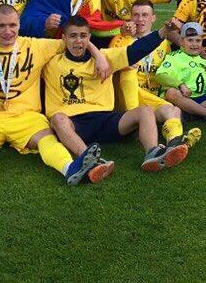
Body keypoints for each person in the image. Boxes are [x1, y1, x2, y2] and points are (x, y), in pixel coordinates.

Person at [0, 5, 110, 194]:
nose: (8, 31)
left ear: (19, 25)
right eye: (1, 26)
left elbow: (73, 41)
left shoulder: (36, 46)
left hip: (27, 116)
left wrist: (98, 55)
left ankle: (70, 169)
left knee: (47, 141)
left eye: (12, 25)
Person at [45, 15, 191, 173]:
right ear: (64, 38)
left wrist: (164, 31)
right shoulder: (50, 62)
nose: (78, 41)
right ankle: (88, 159)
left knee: (145, 110)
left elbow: (136, 50)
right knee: (58, 119)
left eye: (83, 36)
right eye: (73, 36)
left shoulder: (106, 57)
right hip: (73, 123)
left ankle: (152, 153)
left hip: (104, 119)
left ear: (89, 38)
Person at [108, 0, 203, 143]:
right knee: (128, 71)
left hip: (151, 97)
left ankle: (175, 141)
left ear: (153, 18)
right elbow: (107, 70)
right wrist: (122, 65)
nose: (140, 19)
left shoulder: (163, 43)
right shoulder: (121, 40)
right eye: (136, 15)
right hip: (128, 98)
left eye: (145, 15)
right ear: (130, 18)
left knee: (173, 110)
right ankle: (134, 123)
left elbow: (167, 70)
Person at [155, 22, 206, 121]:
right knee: (171, 93)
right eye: (190, 40)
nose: (194, 44)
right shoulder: (174, 57)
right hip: (182, 98)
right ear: (181, 42)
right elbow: (160, 75)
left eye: (198, 40)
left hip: (200, 97)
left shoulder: (202, 61)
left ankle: (191, 114)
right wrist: (181, 85)